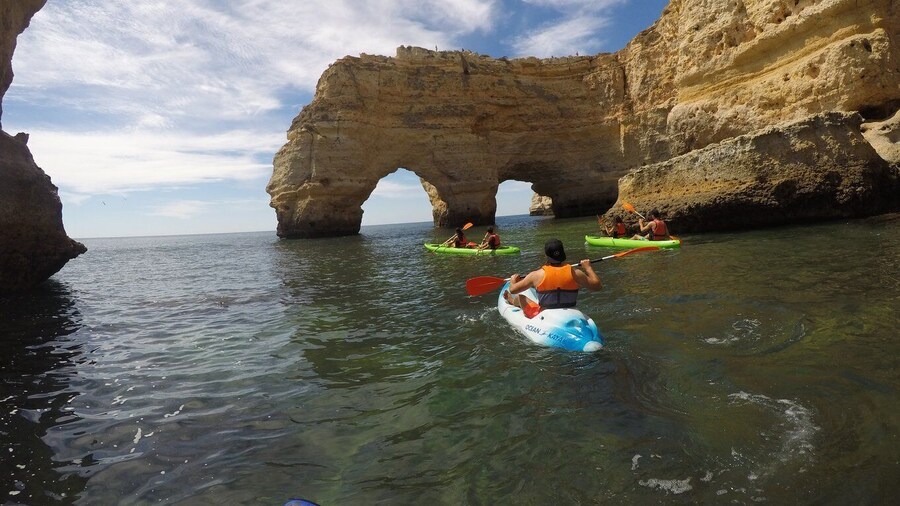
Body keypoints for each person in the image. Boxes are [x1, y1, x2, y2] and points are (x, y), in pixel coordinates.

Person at [502, 239, 602, 318]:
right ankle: (512, 301)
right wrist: (588, 268)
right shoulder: (576, 273)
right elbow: (597, 286)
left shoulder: (536, 275)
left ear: (546, 255)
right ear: (563, 254)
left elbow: (513, 290)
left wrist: (513, 280)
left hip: (545, 315)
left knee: (520, 297)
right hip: (571, 312)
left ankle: (512, 301)